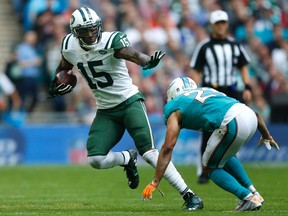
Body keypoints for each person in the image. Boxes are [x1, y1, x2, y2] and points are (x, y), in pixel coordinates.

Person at [48, 7, 203, 210]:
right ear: (75, 33)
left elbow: (132, 54)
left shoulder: (111, 40)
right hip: (106, 110)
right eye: (85, 31)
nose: (91, 34)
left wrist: (147, 61)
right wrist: (56, 82)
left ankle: (190, 195)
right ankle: (127, 158)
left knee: (149, 152)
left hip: (129, 102)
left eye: (93, 29)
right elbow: (64, 66)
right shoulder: (69, 45)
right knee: (95, 159)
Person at [142, 76, 280, 211]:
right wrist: (267, 135)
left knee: (209, 167)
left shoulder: (175, 105)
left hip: (231, 122)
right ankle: (254, 193)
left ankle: (248, 197)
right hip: (251, 117)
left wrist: (156, 180)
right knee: (224, 156)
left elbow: (168, 147)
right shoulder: (208, 91)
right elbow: (253, 114)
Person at [189, 10, 253, 183]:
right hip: (211, 90)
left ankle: (229, 167)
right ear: (212, 25)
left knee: (233, 130)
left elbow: (243, 67)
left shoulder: (235, 45)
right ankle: (204, 169)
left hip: (231, 90)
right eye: (218, 23)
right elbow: (196, 70)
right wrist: (194, 91)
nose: (221, 26)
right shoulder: (204, 46)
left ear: (227, 24)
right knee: (207, 131)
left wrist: (247, 86)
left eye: (223, 23)